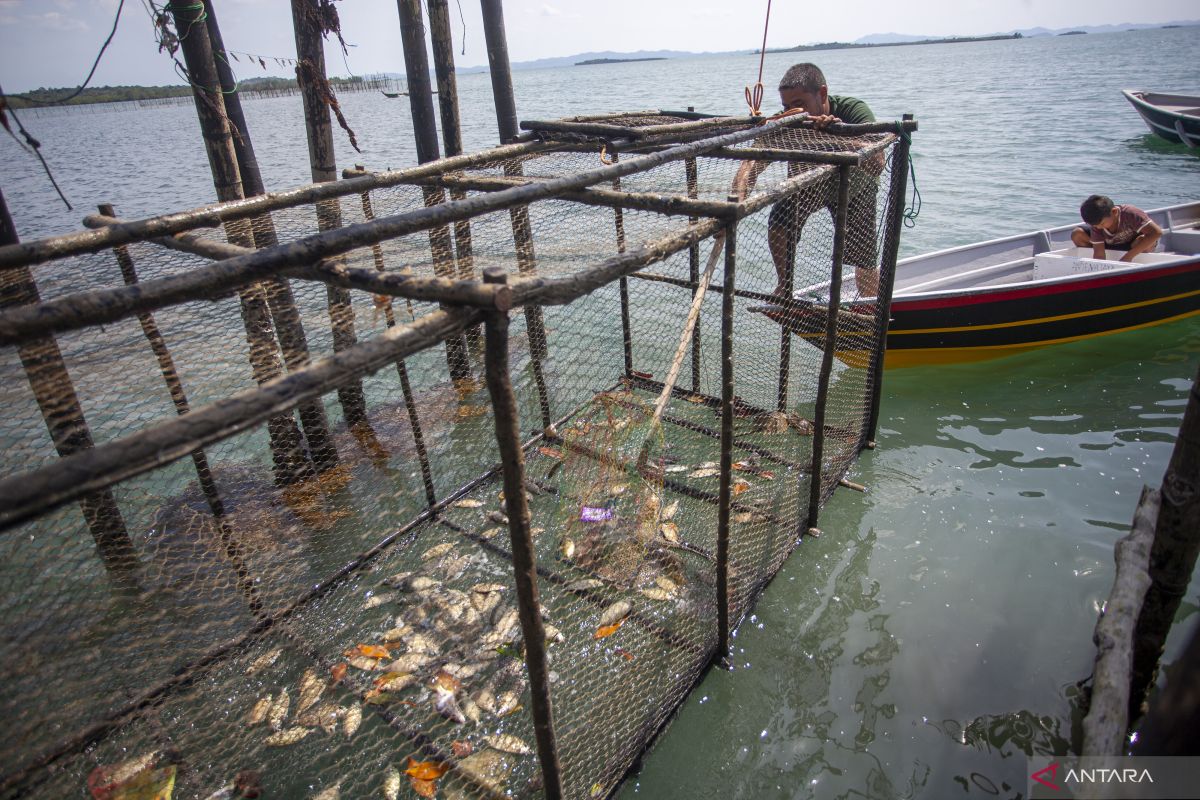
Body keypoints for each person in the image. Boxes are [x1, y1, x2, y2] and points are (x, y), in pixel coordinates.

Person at [732, 63, 882, 298]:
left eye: (800, 105)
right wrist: (735, 205)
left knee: (863, 256)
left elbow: (878, 163)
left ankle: (870, 306)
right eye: (787, 106)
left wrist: (835, 133)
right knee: (780, 219)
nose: (794, 112)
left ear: (822, 94)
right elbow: (750, 165)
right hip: (809, 184)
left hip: (856, 185)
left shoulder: (853, 110)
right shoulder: (787, 122)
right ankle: (785, 285)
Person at [1071, 195, 1162, 262]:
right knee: (1077, 234)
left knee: (1145, 240)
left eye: (1102, 224)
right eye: (1095, 226)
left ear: (1114, 212)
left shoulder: (1130, 213)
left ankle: (1137, 260)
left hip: (1132, 245)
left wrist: (1128, 257)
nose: (1099, 227)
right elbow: (1099, 254)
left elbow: (1157, 232)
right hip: (1110, 244)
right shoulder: (1097, 226)